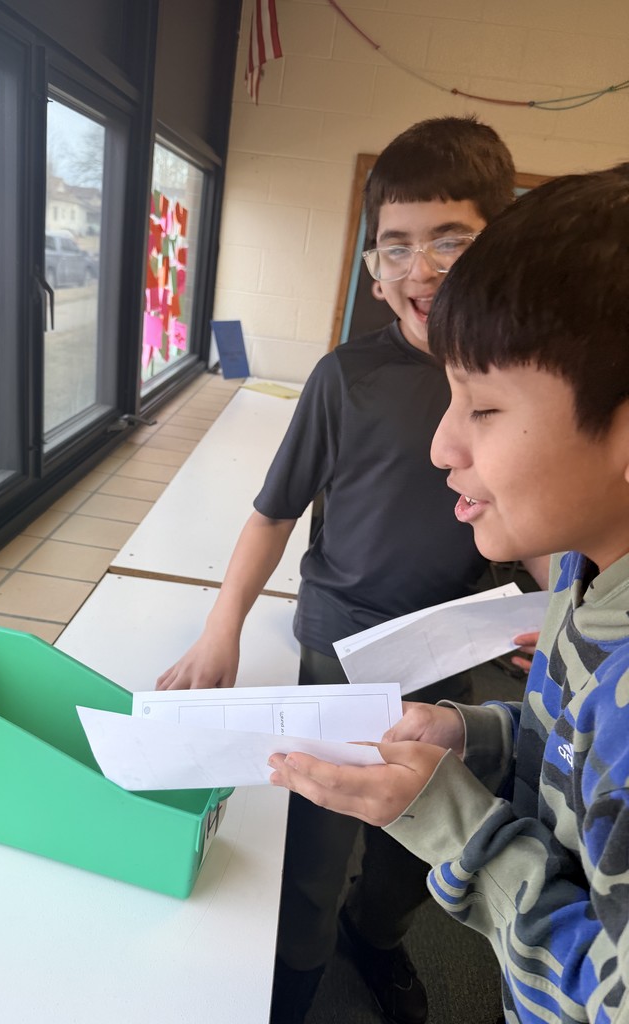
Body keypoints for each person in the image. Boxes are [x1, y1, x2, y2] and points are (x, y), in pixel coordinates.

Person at [158, 115, 547, 1024]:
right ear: (374, 269)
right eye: (396, 246)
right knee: (318, 840)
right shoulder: (346, 378)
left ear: (498, 245)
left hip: (456, 655)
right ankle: (298, 980)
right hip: (339, 649)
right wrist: (221, 627)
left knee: (425, 842)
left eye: (451, 240)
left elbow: (534, 525)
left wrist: (552, 613)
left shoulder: (520, 375)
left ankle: (377, 939)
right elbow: (272, 513)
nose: (422, 269)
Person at [269, 163, 629, 1024]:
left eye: (484, 408)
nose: (442, 446)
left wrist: (457, 828)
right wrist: (480, 736)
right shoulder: (580, 570)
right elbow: (574, 763)